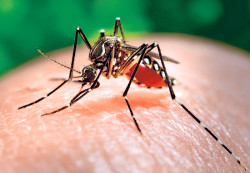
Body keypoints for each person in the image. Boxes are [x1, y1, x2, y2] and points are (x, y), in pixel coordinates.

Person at [0, 35, 249, 172]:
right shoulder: (93, 60)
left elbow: (120, 45)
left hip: (144, 69)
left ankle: (178, 101)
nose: (88, 81)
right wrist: (67, 81)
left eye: (87, 77)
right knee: (87, 33)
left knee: (144, 45)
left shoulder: (105, 60)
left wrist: (125, 91)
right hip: (122, 64)